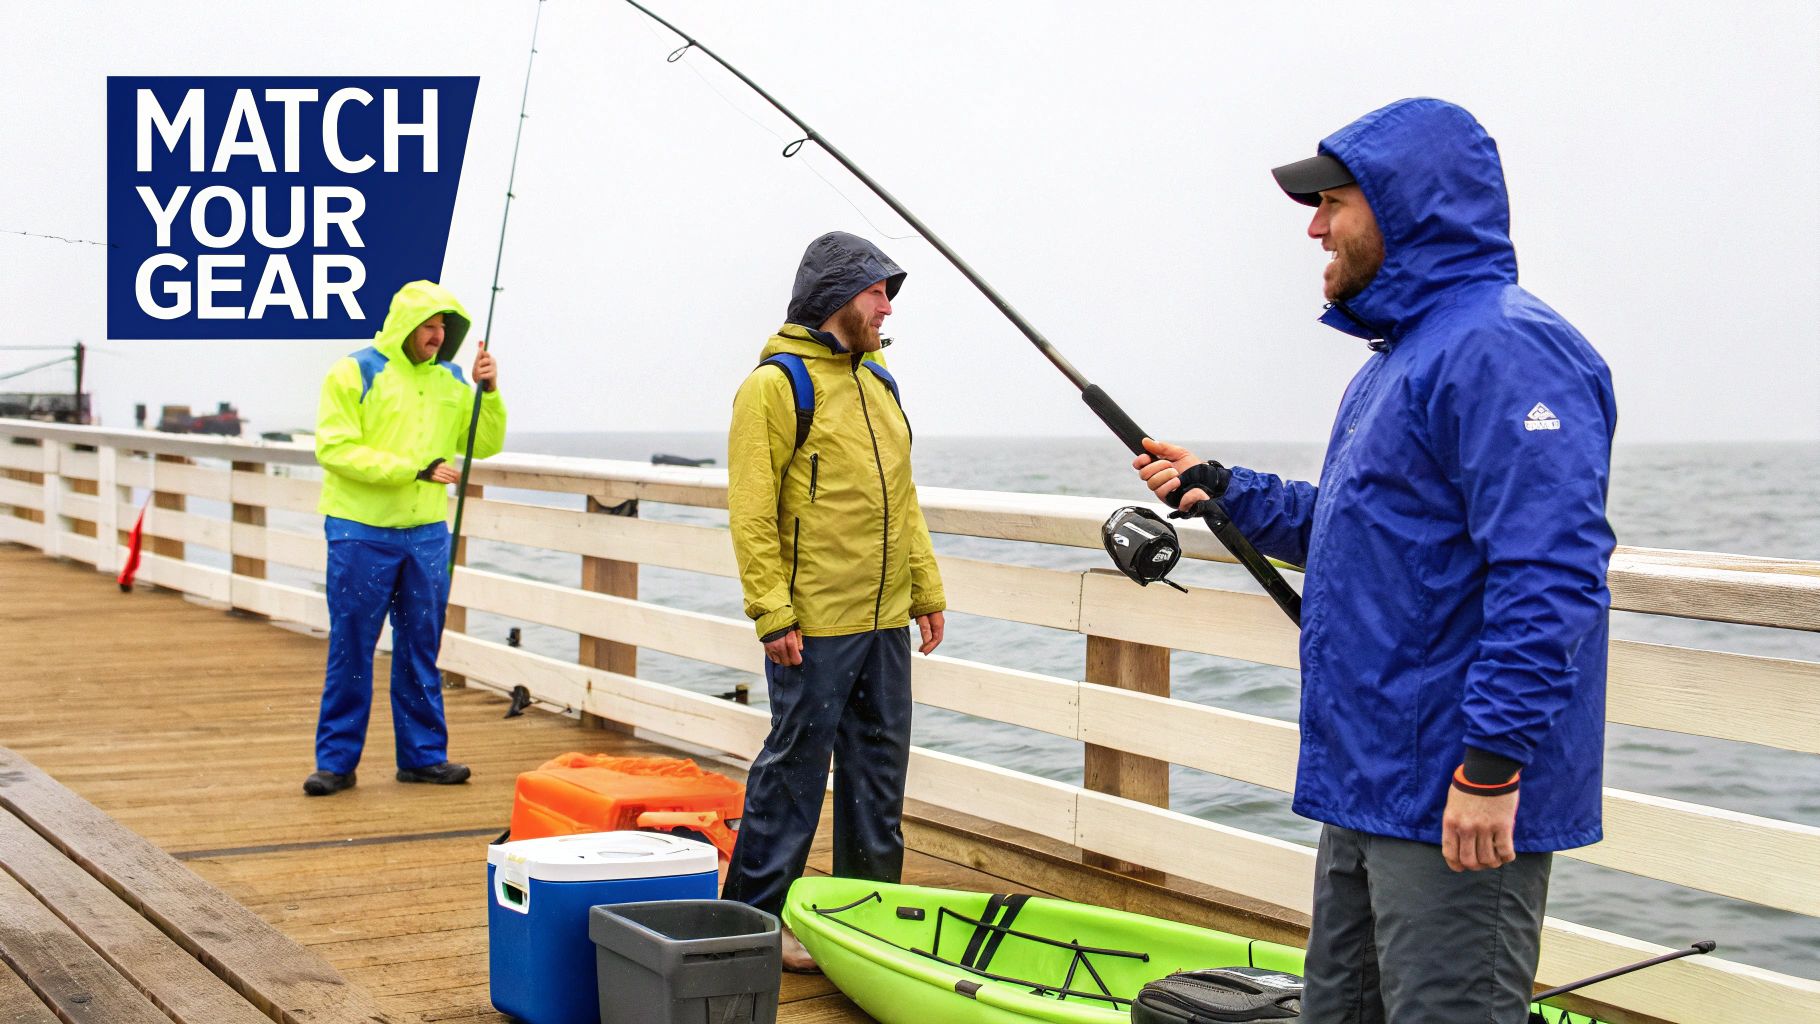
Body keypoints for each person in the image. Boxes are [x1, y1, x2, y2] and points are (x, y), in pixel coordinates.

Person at [1133, 98, 1616, 1022]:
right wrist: (1225, 489)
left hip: (1451, 790)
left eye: (1332, 203)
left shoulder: (1507, 349)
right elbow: (1364, 531)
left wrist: (1491, 766)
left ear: (1405, 205)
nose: (1315, 227)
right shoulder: (1398, 359)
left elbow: (1550, 573)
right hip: (1369, 777)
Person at [722, 231, 948, 971]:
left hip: (885, 620)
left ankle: (866, 930)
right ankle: (750, 928)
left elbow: (903, 500)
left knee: (877, 783)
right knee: (792, 779)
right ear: (837, 297)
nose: (887, 307)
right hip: (814, 624)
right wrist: (772, 612)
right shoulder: (775, 385)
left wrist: (925, 588)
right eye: (877, 292)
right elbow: (752, 510)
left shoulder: (880, 382)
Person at [304, 280, 507, 797]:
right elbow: (334, 448)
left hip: (426, 534)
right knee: (352, 647)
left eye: (443, 327)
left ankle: (422, 758)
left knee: (421, 646)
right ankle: (335, 763)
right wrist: (413, 469)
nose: (437, 335)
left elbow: (483, 444)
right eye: (428, 326)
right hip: (359, 531)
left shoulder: (452, 379)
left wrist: (488, 392)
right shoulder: (354, 371)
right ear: (404, 326)